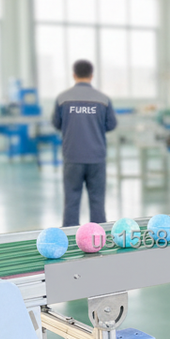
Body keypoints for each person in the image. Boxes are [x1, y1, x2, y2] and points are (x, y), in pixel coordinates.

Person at [52, 59, 117, 226]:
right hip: (96, 157)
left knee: (71, 200)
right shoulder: (103, 99)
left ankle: (69, 236)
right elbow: (111, 124)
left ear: (74, 75)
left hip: (72, 157)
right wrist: (94, 127)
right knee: (97, 200)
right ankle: (98, 236)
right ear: (91, 75)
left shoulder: (62, 99)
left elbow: (57, 123)